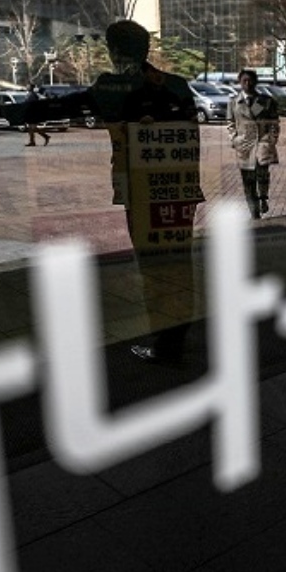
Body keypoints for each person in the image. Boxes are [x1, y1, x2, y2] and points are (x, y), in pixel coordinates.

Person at [67, 19, 203, 364]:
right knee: (178, 261)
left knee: (153, 265)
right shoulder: (176, 84)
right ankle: (176, 334)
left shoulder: (112, 87)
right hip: (178, 189)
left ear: (114, 51)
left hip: (142, 192)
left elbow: (68, 106)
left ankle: (166, 344)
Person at [226, 69, 280, 219]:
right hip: (244, 146)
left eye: (250, 80)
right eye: (244, 80)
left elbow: (274, 123)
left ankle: (263, 198)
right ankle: (254, 214)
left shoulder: (267, 101)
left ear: (256, 82)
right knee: (248, 182)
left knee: (262, 176)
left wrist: (271, 140)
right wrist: (234, 140)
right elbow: (230, 123)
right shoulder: (234, 102)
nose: (247, 83)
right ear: (240, 82)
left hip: (262, 144)